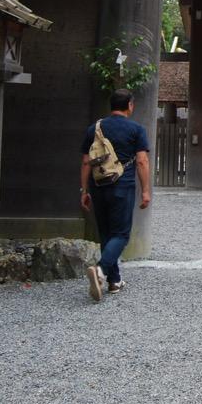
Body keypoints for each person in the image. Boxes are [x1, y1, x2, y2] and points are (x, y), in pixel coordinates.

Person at [79, 88, 152, 302]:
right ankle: (101, 271)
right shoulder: (136, 129)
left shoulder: (95, 128)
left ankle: (114, 281)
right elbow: (141, 161)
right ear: (130, 105)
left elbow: (85, 161)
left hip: (98, 185)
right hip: (122, 185)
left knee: (106, 233)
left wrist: (84, 190)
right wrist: (146, 190)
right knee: (121, 234)